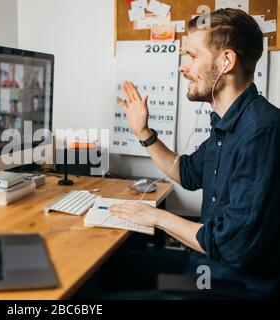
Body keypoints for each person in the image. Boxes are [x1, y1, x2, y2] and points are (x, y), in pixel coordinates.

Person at [106, 8, 280, 298]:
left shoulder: (262, 131)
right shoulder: (228, 123)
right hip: (207, 266)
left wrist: (157, 218)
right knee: (109, 271)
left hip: (235, 285)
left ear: (226, 61)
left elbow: (231, 245)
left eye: (192, 56)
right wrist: (143, 133)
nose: (182, 67)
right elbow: (187, 173)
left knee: (95, 296)